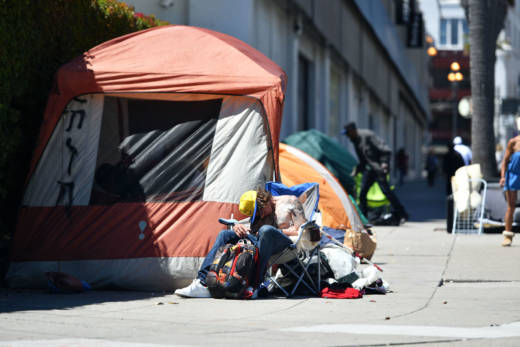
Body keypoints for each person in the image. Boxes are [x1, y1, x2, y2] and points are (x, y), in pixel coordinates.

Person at [174, 188, 307, 298]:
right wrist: (238, 226)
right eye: (257, 215)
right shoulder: (261, 216)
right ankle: (202, 282)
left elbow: (303, 231)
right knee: (225, 234)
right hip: (262, 243)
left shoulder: (290, 201)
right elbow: (254, 232)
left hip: (286, 245)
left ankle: (254, 285)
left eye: (259, 212)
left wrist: (274, 231)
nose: (260, 217)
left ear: (264, 202)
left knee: (266, 230)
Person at [342, 122, 409, 223]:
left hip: (379, 169)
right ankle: (363, 219)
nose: (347, 136)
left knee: (386, 191)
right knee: (362, 194)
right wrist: (358, 169)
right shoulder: (355, 140)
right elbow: (364, 159)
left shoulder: (367, 135)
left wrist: (384, 163)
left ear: (352, 131)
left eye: (347, 133)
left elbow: (385, 150)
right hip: (369, 170)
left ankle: (402, 214)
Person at [499, 135, 520, 246]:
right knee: (511, 206)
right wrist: (502, 177)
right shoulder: (513, 142)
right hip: (513, 176)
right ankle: (508, 236)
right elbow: (505, 161)